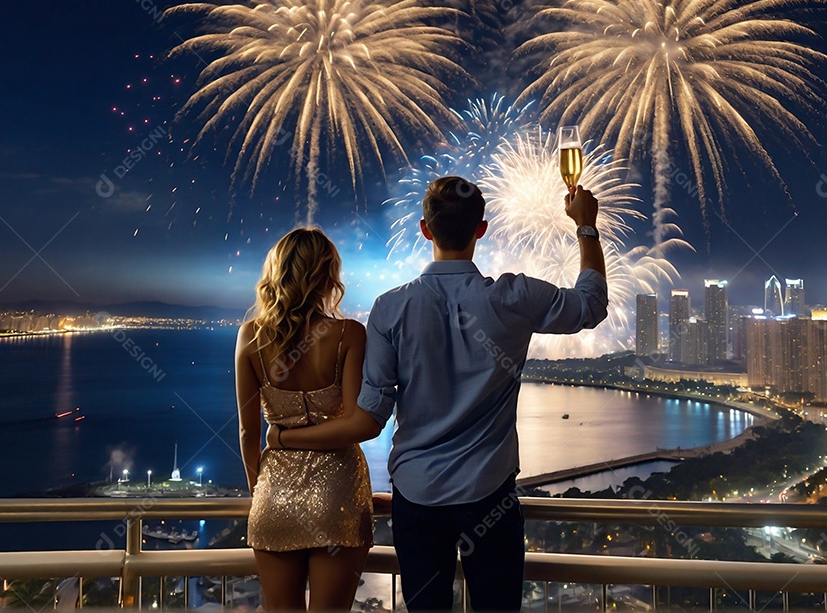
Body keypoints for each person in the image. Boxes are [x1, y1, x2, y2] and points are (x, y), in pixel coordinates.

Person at [269, 177, 608, 611]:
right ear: (480, 230)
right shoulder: (515, 297)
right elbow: (591, 304)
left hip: (417, 498)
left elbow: (371, 416)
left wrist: (285, 436)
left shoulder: (390, 308)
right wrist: (585, 225)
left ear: (425, 229)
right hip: (490, 498)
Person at [234, 227, 373, 611]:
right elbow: (355, 420)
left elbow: (249, 431)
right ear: (328, 276)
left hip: (274, 491)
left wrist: (258, 487)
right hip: (339, 492)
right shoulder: (349, 335)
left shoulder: (250, 337)